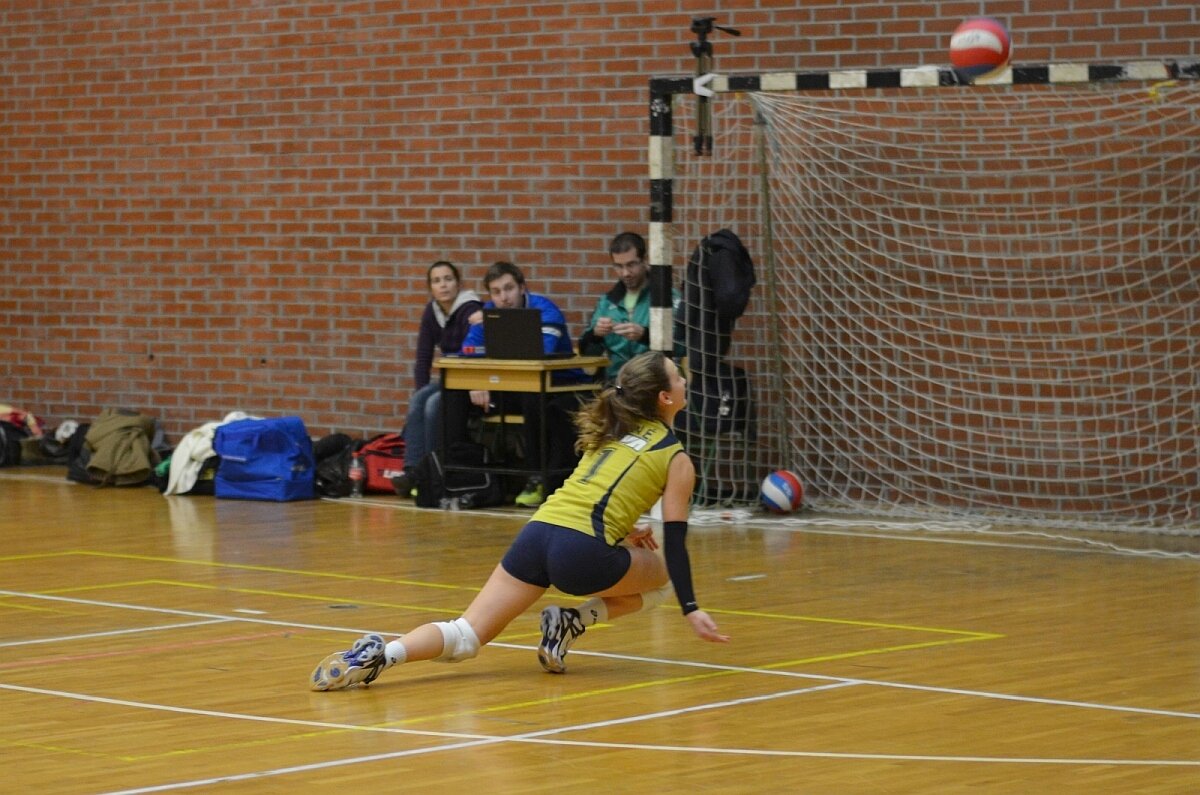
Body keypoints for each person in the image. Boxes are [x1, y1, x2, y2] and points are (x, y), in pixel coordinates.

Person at [310, 351, 729, 691]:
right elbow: (676, 544)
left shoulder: (611, 432)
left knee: (466, 635)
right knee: (663, 580)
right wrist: (691, 609)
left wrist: (623, 529)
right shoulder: (675, 457)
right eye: (678, 376)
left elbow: (593, 493)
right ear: (665, 397)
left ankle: (382, 656)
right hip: (580, 551)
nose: (685, 380)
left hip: (538, 533)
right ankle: (574, 620)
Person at [445, 260, 585, 507]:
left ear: (522, 287)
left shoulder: (546, 311)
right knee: (453, 394)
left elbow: (539, 353)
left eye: (508, 288)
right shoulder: (489, 312)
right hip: (509, 386)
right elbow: (468, 351)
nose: (504, 298)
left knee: (532, 393)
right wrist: (476, 381)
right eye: (496, 292)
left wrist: (494, 327)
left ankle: (535, 478)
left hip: (555, 386)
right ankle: (460, 475)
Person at [396, 261, 483, 492]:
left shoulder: (470, 309)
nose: (443, 285)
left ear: (458, 283)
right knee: (420, 399)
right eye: (436, 281)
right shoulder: (431, 312)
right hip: (448, 379)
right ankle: (413, 470)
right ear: (431, 288)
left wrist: (476, 383)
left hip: (471, 382)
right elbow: (423, 357)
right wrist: (421, 388)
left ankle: (433, 471)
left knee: (434, 404)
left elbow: (477, 353)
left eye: (448, 279)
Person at [578, 231, 684, 382]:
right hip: (616, 382)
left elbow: (683, 345)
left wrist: (645, 335)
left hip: (655, 381)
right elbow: (587, 354)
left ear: (644, 260)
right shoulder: (607, 302)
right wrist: (595, 335)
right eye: (618, 266)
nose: (625, 273)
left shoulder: (667, 297)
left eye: (631, 265)